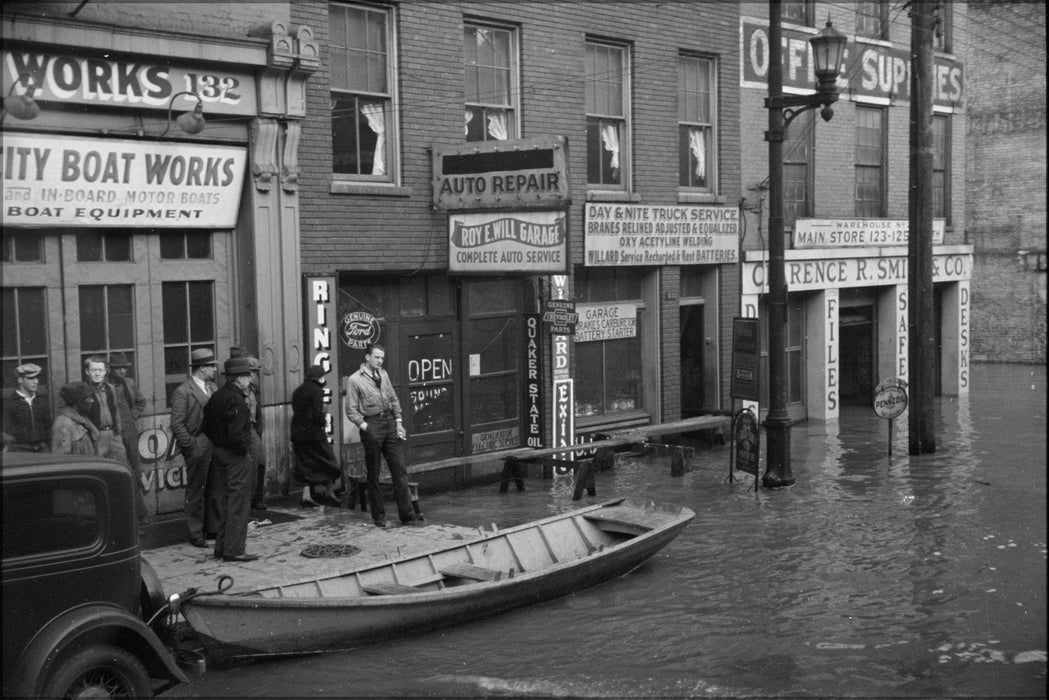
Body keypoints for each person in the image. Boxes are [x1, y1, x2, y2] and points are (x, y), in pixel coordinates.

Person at [345, 344, 423, 527]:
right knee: (374, 473)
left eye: (382, 358)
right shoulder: (354, 380)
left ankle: (408, 514)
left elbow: (394, 399)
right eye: (376, 357)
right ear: (367, 357)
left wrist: (398, 423)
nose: (380, 361)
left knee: (399, 470)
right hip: (371, 424)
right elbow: (351, 410)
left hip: (389, 423)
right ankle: (379, 516)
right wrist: (366, 427)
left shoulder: (384, 374)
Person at [202, 356, 259, 562]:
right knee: (239, 503)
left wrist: (219, 443)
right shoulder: (237, 400)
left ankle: (222, 548)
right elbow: (237, 434)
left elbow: (205, 425)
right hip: (236, 456)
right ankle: (234, 550)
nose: (250, 379)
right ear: (238, 379)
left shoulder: (217, 396)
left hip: (220, 452)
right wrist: (244, 451)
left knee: (227, 500)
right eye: (247, 375)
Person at [170, 348, 219, 548]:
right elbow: (177, 424)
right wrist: (191, 446)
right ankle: (196, 532)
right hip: (197, 445)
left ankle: (213, 527)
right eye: (212, 366)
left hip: (215, 444)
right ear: (202, 368)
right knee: (196, 489)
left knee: (215, 487)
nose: (215, 369)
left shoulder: (213, 387)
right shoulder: (183, 391)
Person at [291, 364, 344, 507]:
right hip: (314, 435)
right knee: (329, 461)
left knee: (306, 464)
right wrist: (324, 418)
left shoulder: (298, 391)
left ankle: (306, 496)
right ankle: (329, 492)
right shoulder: (317, 391)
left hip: (298, 434)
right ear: (320, 377)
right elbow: (317, 414)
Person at [108, 352, 149, 523]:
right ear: (111, 369)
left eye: (124, 368)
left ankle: (141, 480)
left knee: (135, 464)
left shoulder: (129, 383)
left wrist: (133, 415)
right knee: (126, 468)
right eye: (118, 368)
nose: (122, 371)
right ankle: (140, 513)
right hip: (115, 432)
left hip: (129, 429)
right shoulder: (105, 386)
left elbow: (141, 401)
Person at [229, 346, 267, 511]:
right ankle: (250, 500)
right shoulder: (236, 389)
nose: (252, 375)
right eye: (249, 372)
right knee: (250, 465)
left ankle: (255, 498)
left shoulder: (252, 388)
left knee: (260, 462)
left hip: (252, 427)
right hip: (244, 429)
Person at [82, 355, 129, 465]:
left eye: (100, 370)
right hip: (97, 438)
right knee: (99, 467)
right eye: (93, 370)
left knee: (121, 466)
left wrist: (118, 434)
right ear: (87, 372)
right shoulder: (83, 390)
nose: (97, 374)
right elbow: (82, 416)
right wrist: (94, 434)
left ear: (105, 372)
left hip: (113, 436)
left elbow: (116, 410)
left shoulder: (110, 388)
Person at [2, 363, 52, 453]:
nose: (36, 381)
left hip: (42, 448)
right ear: (20, 380)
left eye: (37, 378)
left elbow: (48, 426)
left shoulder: (42, 400)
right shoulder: (9, 402)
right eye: (31, 378)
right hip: (20, 449)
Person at [50, 382, 99, 456]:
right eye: (89, 398)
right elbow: (62, 459)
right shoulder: (64, 424)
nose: (92, 401)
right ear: (79, 402)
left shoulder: (83, 419)